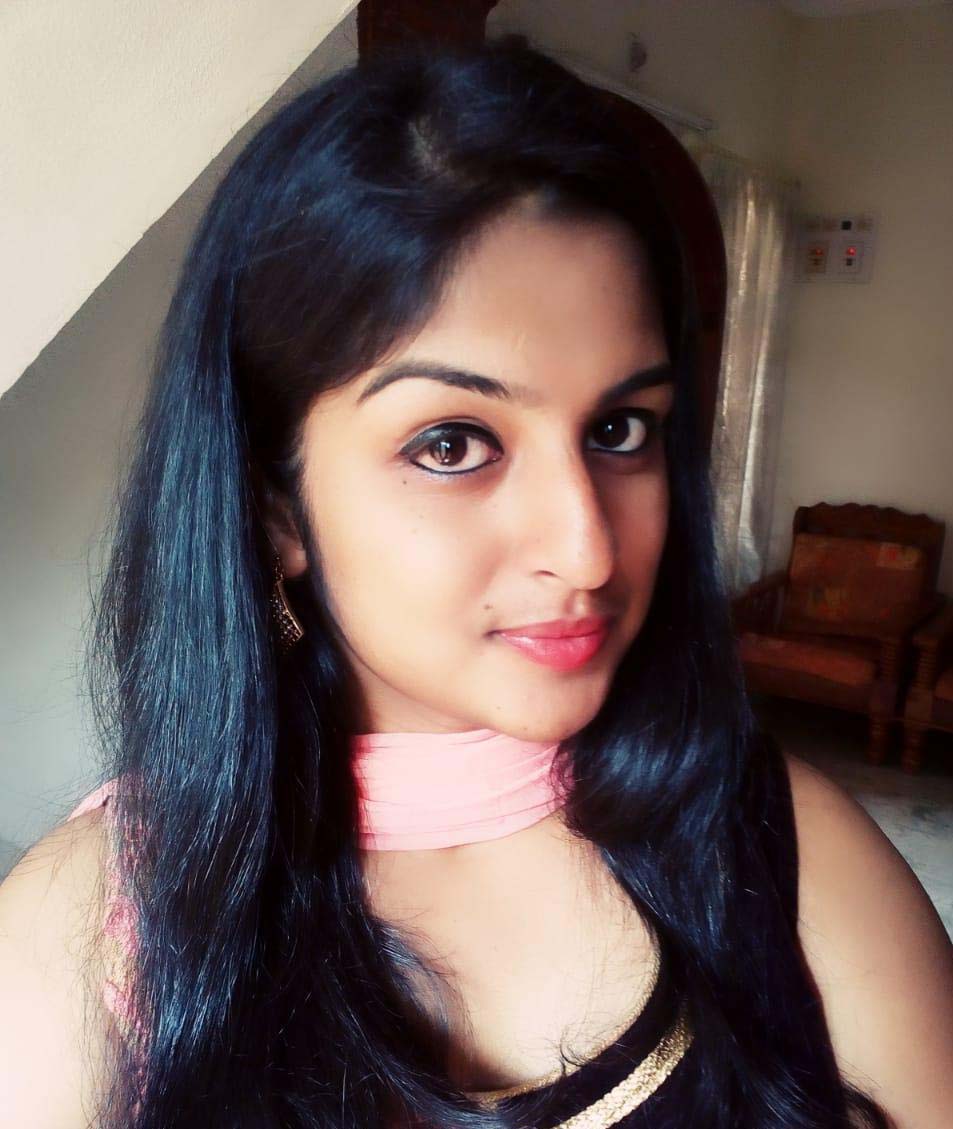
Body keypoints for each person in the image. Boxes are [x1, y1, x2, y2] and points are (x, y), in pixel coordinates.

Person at [1, 37, 951, 1129]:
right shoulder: (92, 937)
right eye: (452, 444)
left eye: (619, 429)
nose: (588, 550)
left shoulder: (789, 852)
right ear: (275, 508)